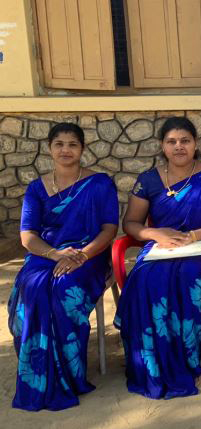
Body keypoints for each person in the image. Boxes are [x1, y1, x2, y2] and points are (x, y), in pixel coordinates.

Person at [115, 117, 201, 399]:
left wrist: (195, 235)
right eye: (171, 141)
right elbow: (131, 223)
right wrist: (154, 233)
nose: (179, 146)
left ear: (196, 144)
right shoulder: (148, 180)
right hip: (161, 246)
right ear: (163, 146)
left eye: (185, 141)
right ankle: (147, 359)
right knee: (144, 279)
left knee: (187, 278)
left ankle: (185, 358)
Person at [8, 123, 119, 411]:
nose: (65, 150)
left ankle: (68, 373)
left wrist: (81, 256)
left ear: (82, 149)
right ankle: (39, 372)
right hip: (46, 254)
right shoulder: (36, 189)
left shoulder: (100, 184)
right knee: (33, 288)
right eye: (59, 144)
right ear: (49, 148)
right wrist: (55, 254)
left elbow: (109, 228)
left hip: (90, 255)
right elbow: (27, 236)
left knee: (65, 290)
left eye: (72, 144)